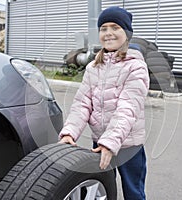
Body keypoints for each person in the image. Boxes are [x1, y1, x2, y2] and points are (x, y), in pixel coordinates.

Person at [58, 6, 149, 200]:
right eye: (103, 28)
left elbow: (128, 108)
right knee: (102, 187)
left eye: (115, 27)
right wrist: (69, 133)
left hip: (128, 146)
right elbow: (82, 103)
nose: (108, 33)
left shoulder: (136, 66)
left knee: (133, 192)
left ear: (127, 32)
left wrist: (110, 143)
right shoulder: (93, 67)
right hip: (100, 142)